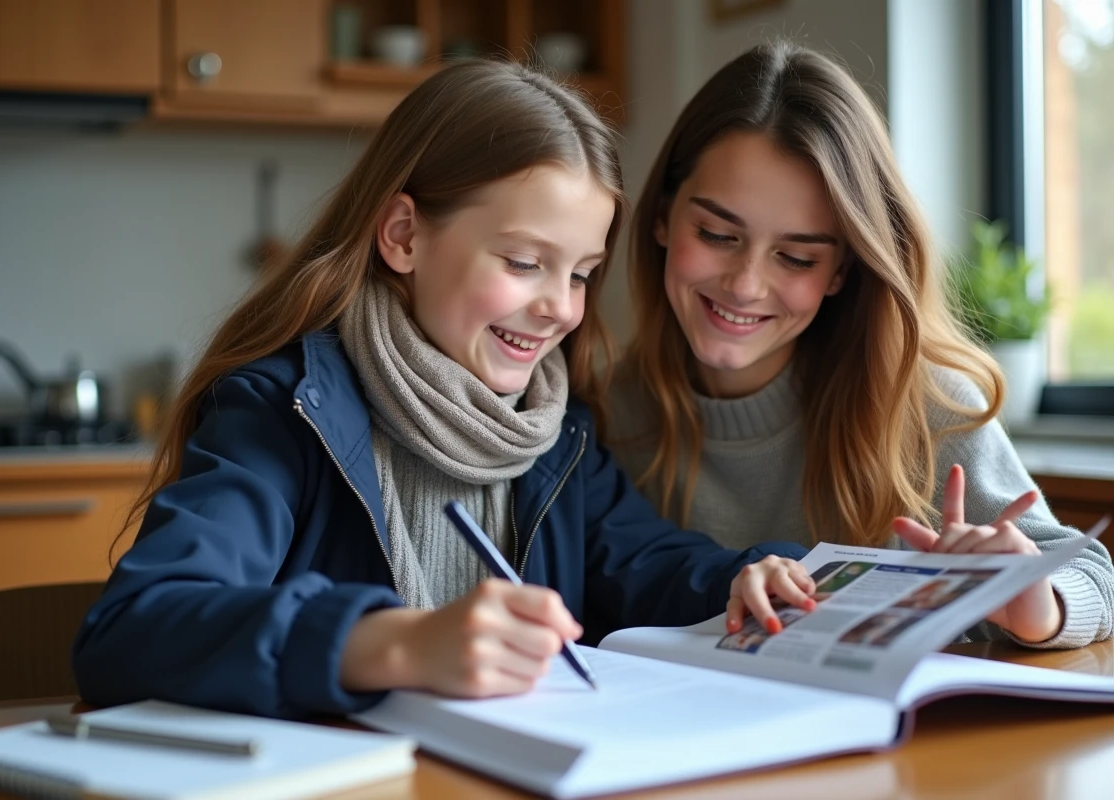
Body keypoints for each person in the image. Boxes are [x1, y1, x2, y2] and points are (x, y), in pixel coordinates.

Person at [72, 59, 814, 721]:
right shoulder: (283, 411)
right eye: (525, 262)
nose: (561, 305)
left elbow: (648, 565)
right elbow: (132, 629)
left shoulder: (557, 434)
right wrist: (391, 643)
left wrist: (747, 575)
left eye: (582, 273)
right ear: (403, 236)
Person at [608, 41, 1113, 649]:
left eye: (797, 256)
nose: (745, 285)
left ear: (843, 269)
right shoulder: (609, 409)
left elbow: (1092, 578)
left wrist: (1037, 603)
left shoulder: (921, 403)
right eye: (717, 234)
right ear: (661, 217)